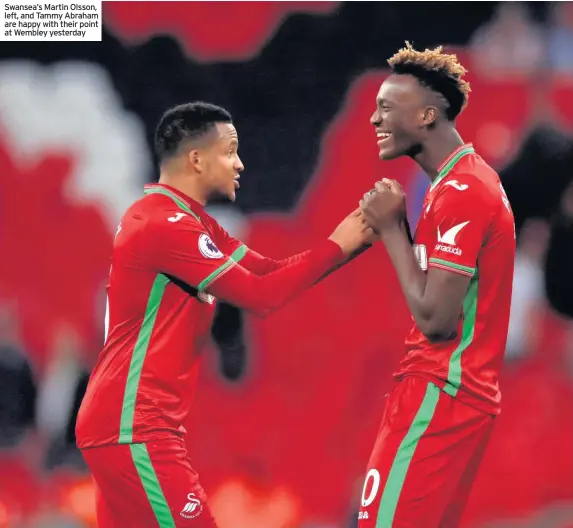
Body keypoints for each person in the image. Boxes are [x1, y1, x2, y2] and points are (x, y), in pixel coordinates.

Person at [75, 102, 374, 527]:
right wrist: (341, 244)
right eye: (229, 151)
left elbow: (266, 269)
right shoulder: (163, 226)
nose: (239, 163)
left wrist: (340, 246)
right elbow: (261, 294)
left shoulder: (195, 224)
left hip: (146, 424)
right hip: (132, 428)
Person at [357, 43, 516, 527]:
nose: (373, 119)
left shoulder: (465, 191)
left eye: (386, 107)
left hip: (440, 395)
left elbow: (437, 320)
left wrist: (390, 229)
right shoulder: (457, 183)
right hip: (455, 397)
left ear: (427, 115)